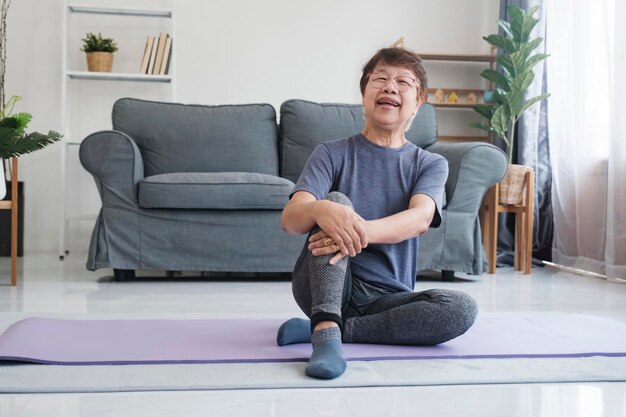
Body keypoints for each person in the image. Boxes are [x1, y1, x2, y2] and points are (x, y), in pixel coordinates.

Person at [277, 47, 478, 380]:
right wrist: (322, 209)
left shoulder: (430, 164)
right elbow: (291, 219)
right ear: (364, 94)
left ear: (418, 103)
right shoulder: (330, 153)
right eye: (380, 79)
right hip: (324, 284)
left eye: (403, 82)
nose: (390, 87)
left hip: (389, 298)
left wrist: (356, 231)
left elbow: (419, 219)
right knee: (336, 203)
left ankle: (334, 329)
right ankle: (326, 330)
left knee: (462, 309)